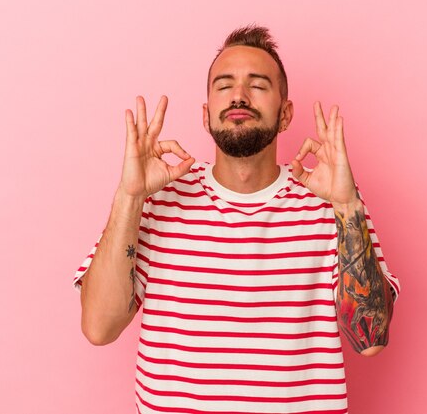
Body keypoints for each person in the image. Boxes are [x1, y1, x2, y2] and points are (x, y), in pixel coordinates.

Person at [73, 25, 400, 414]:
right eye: (224, 85)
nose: (239, 96)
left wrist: (347, 205)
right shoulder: (155, 200)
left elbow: (370, 339)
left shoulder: (331, 203)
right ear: (206, 113)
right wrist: (129, 197)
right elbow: (98, 328)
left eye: (258, 85)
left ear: (285, 114)